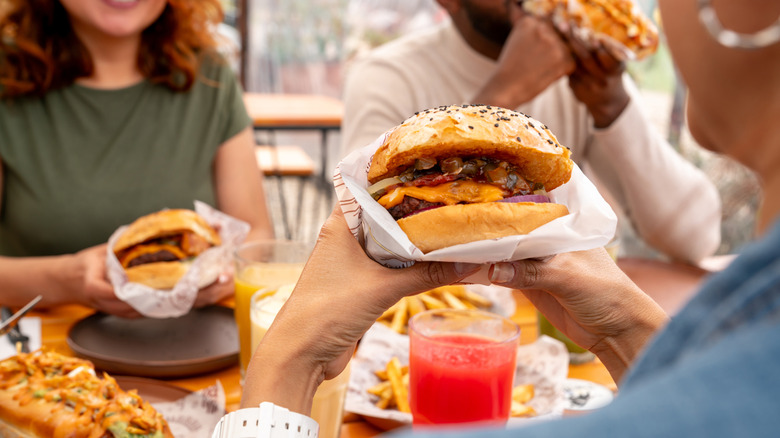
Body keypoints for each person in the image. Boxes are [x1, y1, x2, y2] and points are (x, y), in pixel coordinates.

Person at [232, 0, 780, 435]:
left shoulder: (589, 82)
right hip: (391, 348)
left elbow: (696, 234)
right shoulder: (387, 72)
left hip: (531, 349)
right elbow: (369, 221)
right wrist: (628, 334)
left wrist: (286, 367)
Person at [340, 0, 722, 264]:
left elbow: (697, 239)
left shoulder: (579, 75)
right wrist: (508, 90)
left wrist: (613, 108)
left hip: (548, 327)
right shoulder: (385, 77)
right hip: (411, 335)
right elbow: (353, 238)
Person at [0, 0, 274, 317]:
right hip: (36, 352)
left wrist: (221, 274)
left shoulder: (210, 76)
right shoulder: (7, 79)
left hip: (197, 350)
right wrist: (68, 279)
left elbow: (256, 235)